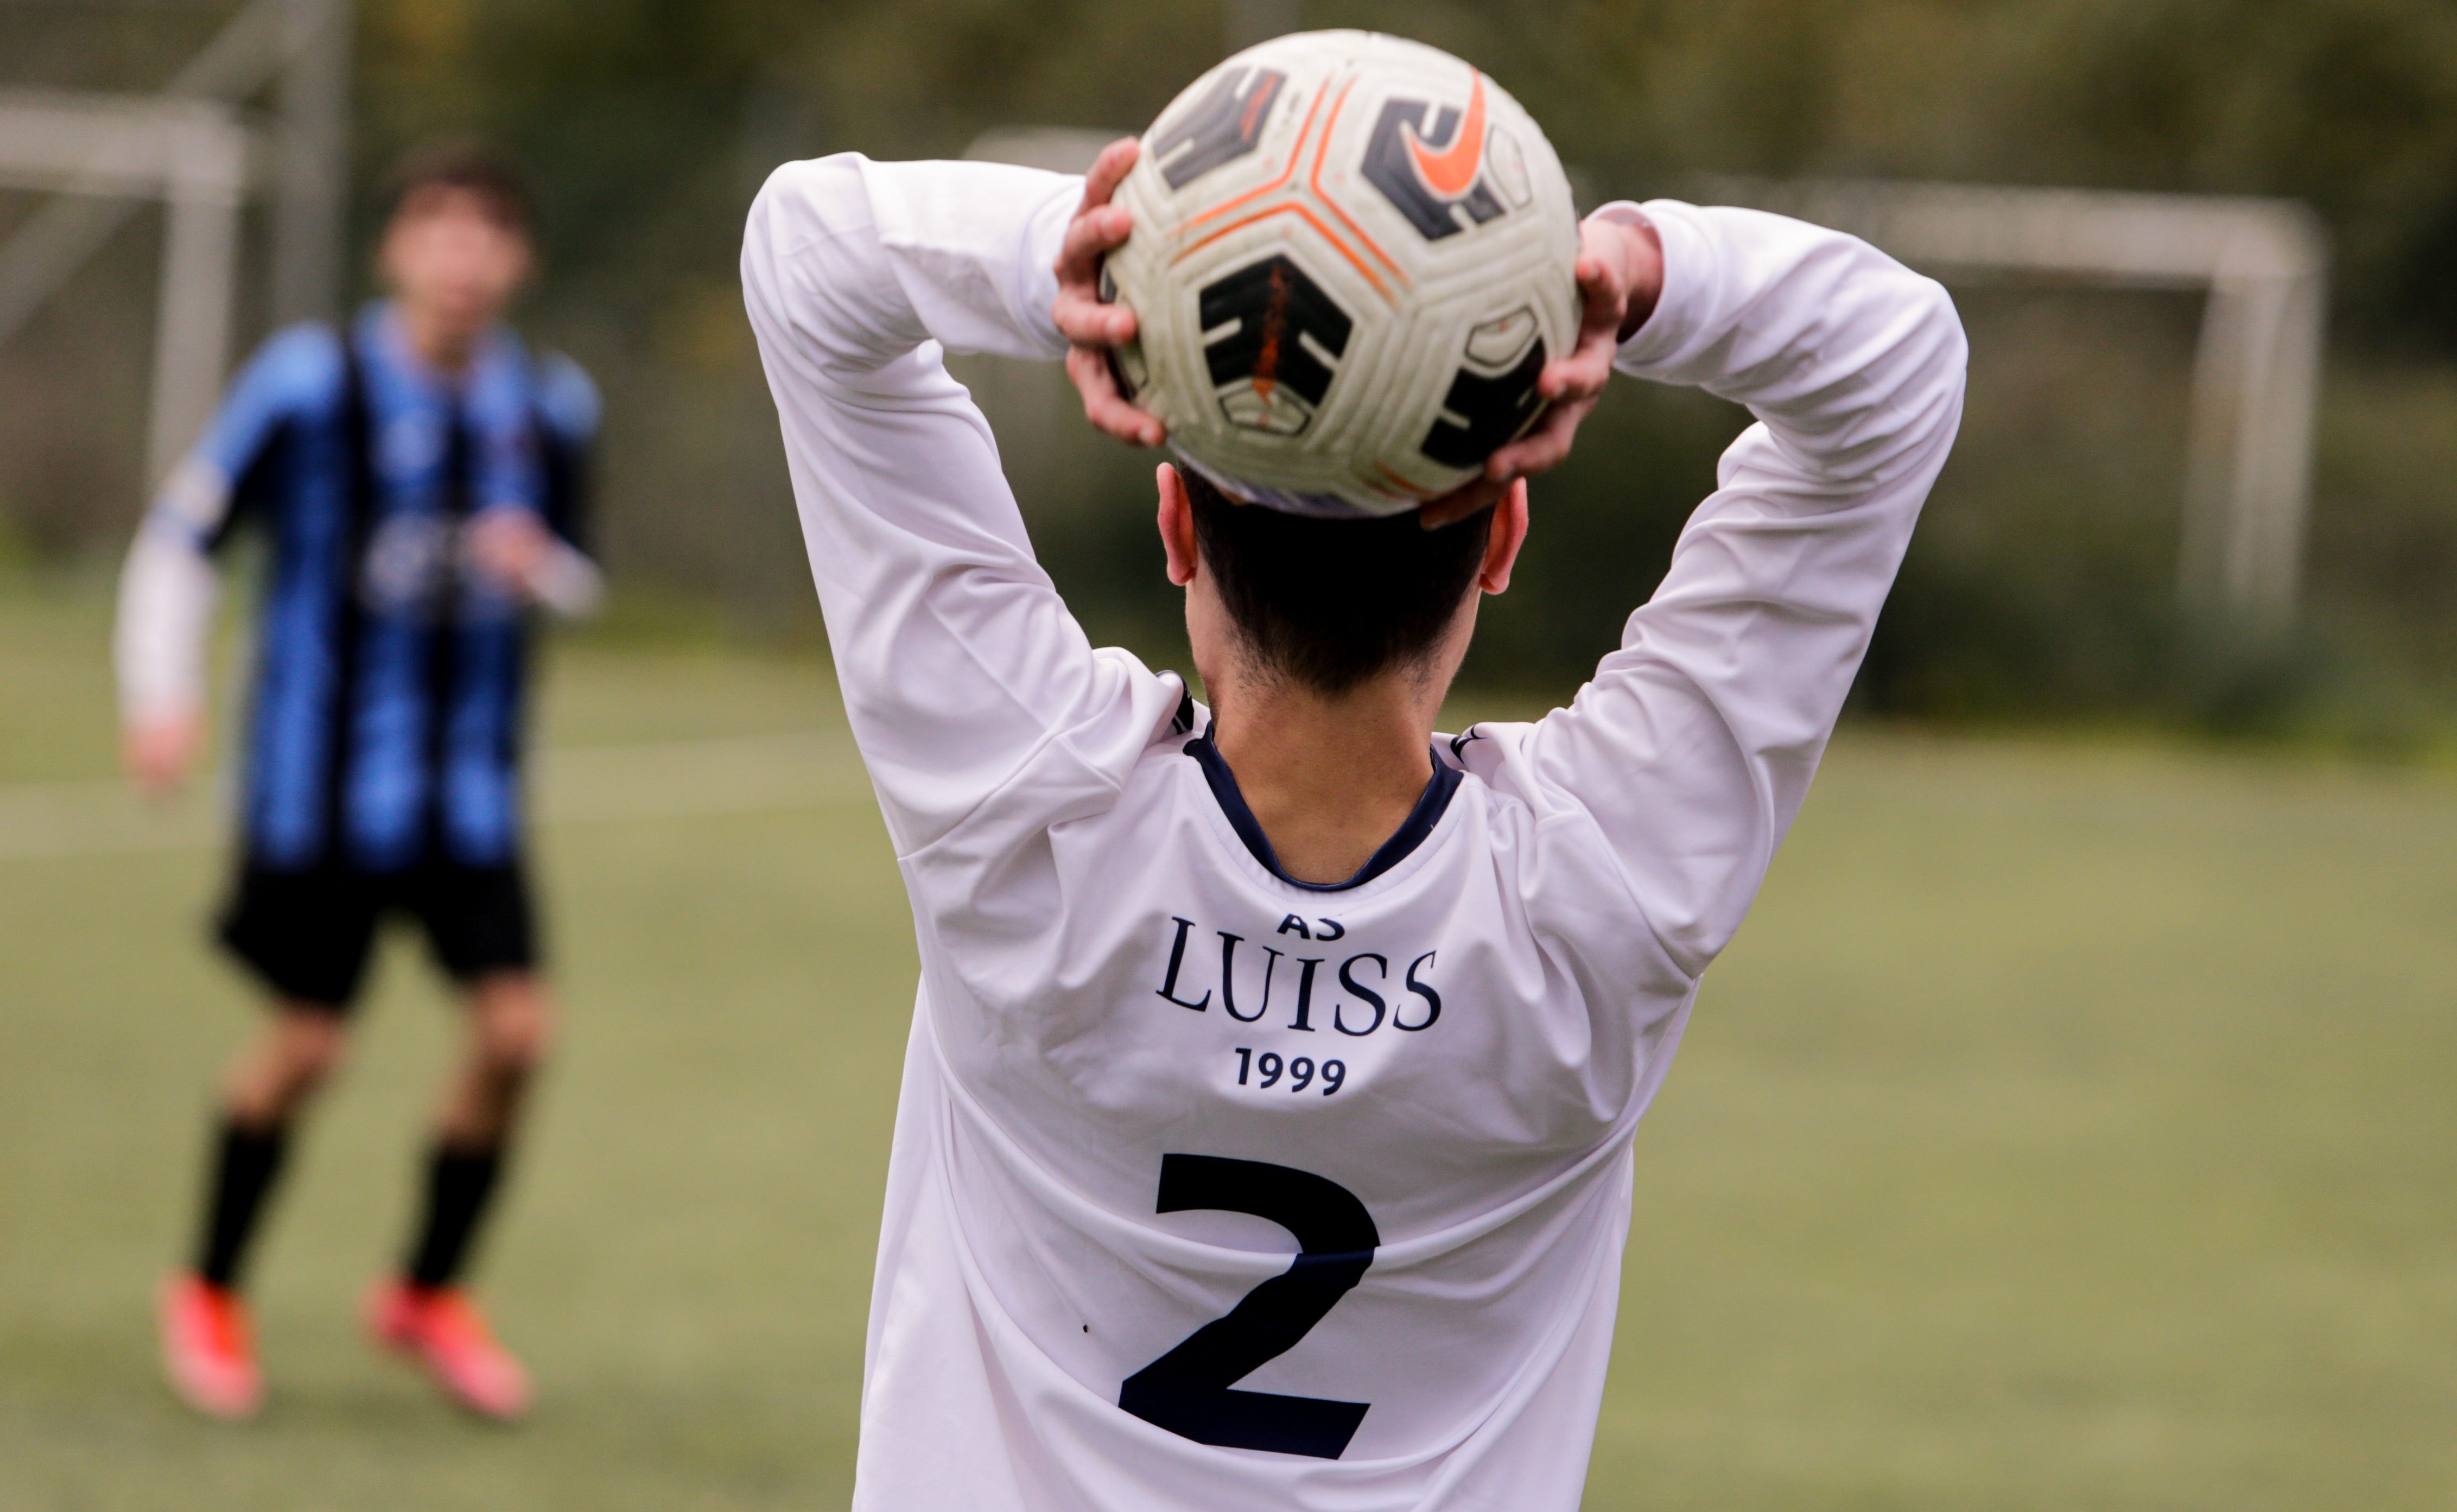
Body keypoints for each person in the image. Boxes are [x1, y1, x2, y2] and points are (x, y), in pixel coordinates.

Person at [739, 120, 1962, 1508]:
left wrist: (1083, 269)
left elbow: (810, 252)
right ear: (1500, 542)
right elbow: (1894, 362)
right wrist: (1621, 271)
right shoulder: (1598, 895)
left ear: (1176, 527)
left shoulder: (1029, 819)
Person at [117, 141, 602, 1423]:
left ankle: (425, 1293)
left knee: (515, 1035)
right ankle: (210, 1290)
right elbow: (182, 539)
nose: (461, 254)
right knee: (309, 1047)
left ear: (519, 258)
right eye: (436, 226)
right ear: (394, 249)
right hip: (313, 793)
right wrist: (160, 696)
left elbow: (580, 572)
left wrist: (534, 565)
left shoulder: (549, 407)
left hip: (470, 801)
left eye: (488, 229)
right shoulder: (309, 383)